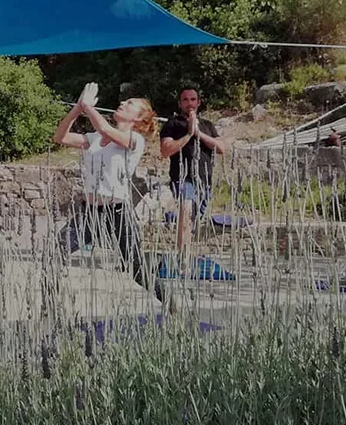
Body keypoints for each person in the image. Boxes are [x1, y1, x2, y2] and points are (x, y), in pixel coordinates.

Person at [53, 83, 161, 301]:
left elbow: (106, 130)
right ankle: (51, 306)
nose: (122, 103)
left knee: (136, 269)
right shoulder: (94, 138)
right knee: (54, 252)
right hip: (90, 212)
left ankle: (171, 304)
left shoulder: (135, 140)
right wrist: (77, 108)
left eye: (130, 103)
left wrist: (88, 107)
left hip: (118, 212)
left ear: (139, 119)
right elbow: (60, 137)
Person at [159, 87, 226, 269]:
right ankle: (184, 259)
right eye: (185, 100)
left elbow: (221, 148)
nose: (189, 103)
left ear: (198, 102)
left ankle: (186, 251)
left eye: (193, 99)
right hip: (182, 177)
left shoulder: (207, 125)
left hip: (204, 179)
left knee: (193, 219)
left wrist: (198, 133)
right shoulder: (172, 124)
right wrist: (188, 134)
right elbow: (165, 151)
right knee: (186, 210)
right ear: (180, 103)